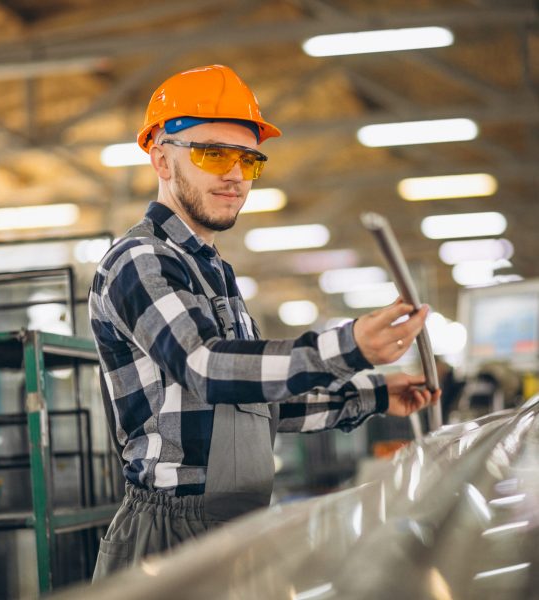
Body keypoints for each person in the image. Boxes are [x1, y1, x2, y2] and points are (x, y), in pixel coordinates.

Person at [89, 64, 440, 578]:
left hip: (237, 525)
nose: (234, 174)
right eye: (213, 154)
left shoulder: (216, 275)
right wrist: (348, 347)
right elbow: (205, 368)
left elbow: (255, 407)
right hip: (167, 538)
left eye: (247, 160)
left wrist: (377, 393)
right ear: (161, 159)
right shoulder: (139, 260)